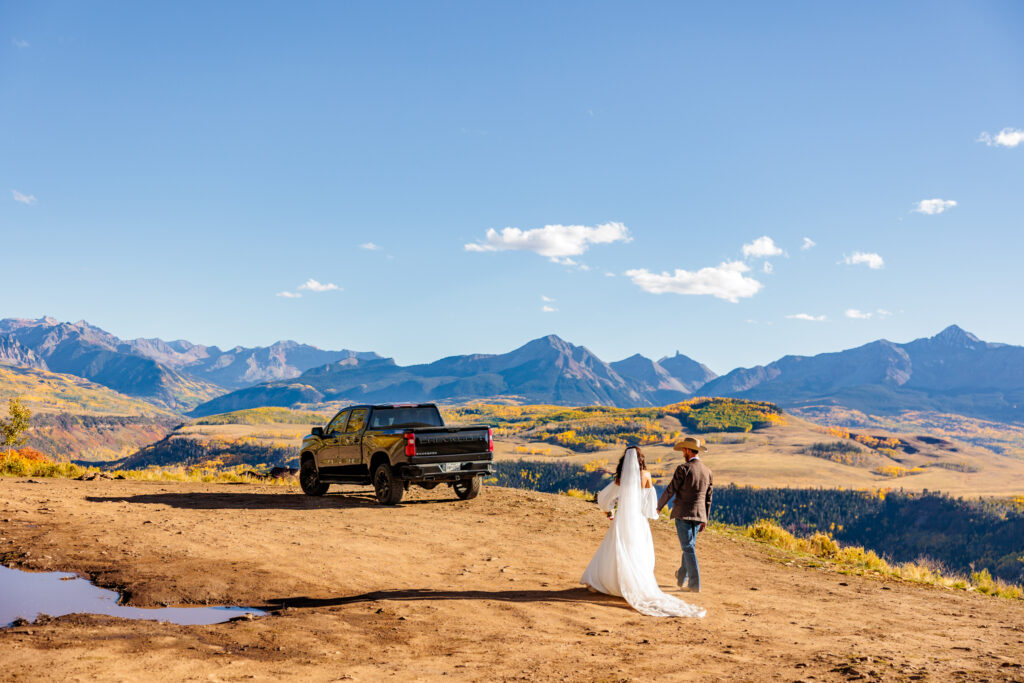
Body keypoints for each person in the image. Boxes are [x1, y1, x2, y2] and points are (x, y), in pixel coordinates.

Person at [580, 446, 705, 618]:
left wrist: (609, 512)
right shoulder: (646, 476)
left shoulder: (620, 478)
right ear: (641, 459)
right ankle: (634, 583)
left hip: (622, 519)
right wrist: (653, 514)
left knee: (615, 548)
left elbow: (604, 497)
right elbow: (649, 504)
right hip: (638, 520)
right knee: (637, 551)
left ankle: (610, 582)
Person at [657, 436, 713, 593]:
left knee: (688, 547)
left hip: (683, 514)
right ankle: (682, 576)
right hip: (699, 515)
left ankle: (694, 584)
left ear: (688, 450)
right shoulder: (708, 471)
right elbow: (708, 499)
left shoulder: (683, 468)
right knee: (689, 546)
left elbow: (670, 490)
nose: (682, 453)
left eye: (683, 450)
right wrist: (705, 519)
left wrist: (658, 506)